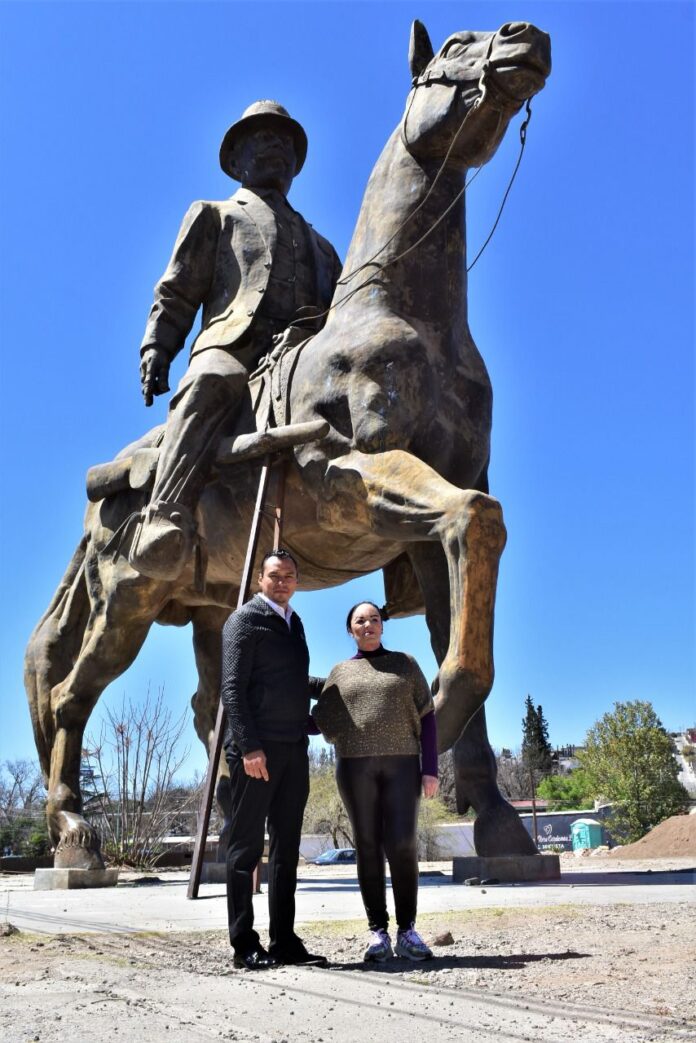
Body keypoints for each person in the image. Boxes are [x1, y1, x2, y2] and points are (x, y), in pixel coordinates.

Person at [130, 101, 342, 581]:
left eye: (284, 142)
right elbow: (177, 290)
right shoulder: (215, 214)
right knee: (211, 381)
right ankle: (165, 514)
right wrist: (157, 346)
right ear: (237, 158)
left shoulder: (323, 247)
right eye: (263, 138)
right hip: (234, 347)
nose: (276, 147)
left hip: (302, 352)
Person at [312, 601, 439, 963]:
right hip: (355, 769)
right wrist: (274, 716)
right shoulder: (340, 673)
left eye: (374, 619)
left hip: (403, 765)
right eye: (360, 621)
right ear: (350, 630)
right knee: (368, 845)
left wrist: (430, 768)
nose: (368, 624)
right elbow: (320, 722)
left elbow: (428, 717)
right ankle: (378, 932)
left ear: (382, 626)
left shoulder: (405, 664)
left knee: (402, 843)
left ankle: (407, 930)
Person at [220, 548, 326, 970]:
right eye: (274, 576)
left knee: (286, 849)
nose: (282, 582)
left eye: (289, 576)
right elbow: (232, 687)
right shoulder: (244, 620)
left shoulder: (293, 623)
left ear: (297, 581)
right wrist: (249, 746)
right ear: (260, 580)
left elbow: (294, 680)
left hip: (293, 749)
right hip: (256, 753)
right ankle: (244, 945)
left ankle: (285, 941)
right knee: (245, 849)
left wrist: (340, 683)